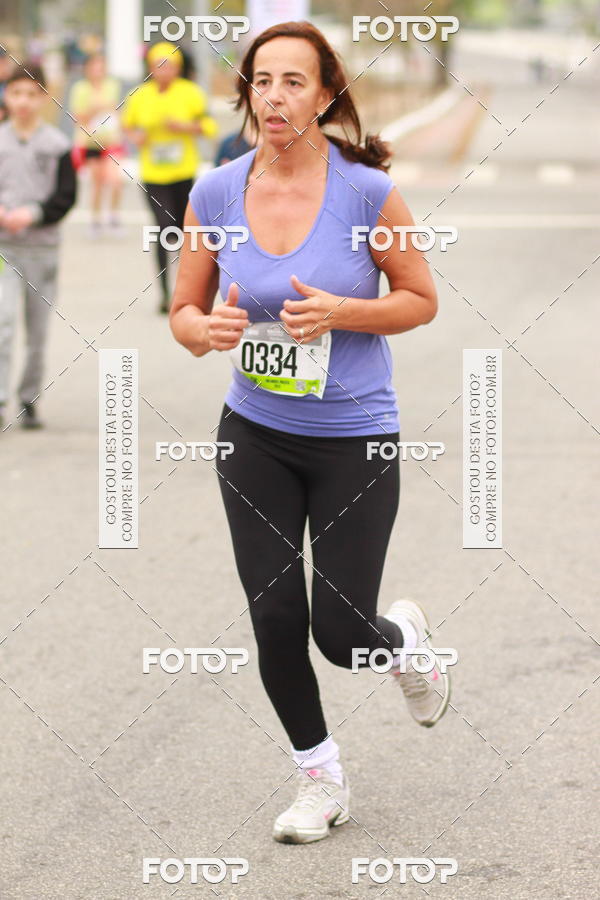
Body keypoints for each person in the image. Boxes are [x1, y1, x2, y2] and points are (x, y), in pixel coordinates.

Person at [169, 21, 450, 844]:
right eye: (263, 81)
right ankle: (319, 777)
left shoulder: (365, 192)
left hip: (355, 439)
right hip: (254, 432)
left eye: (295, 82)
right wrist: (203, 332)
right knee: (273, 617)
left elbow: (421, 298)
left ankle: (402, 643)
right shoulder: (217, 190)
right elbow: (184, 310)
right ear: (247, 93)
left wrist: (344, 311)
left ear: (325, 95)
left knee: (340, 633)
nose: (277, 96)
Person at [0, 63, 77, 431]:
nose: (23, 102)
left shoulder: (58, 145)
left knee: (37, 329)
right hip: (4, 249)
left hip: (42, 250)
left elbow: (66, 197)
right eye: (16, 93)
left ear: (44, 98)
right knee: (3, 323)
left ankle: (28, 397)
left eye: (32, 94)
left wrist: (33, 214)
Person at [121, 41, 218, 314]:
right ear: (150, 68)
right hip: (153, 174)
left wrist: (186, 126)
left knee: (182, 231)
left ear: (178, 68)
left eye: (170, 65)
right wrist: (135, 136)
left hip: (183, 173)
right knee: (163, 229)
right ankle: (165, 293)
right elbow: (127, 126)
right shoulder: (139, 95)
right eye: (158, 65)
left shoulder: (191, 93)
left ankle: (188, 289)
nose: (164, 70)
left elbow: (210, 126)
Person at [69, 53, 124, 236]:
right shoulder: (80, 88)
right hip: (90, 142)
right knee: (97, 183)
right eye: (94, 67)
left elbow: (114, 108)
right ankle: (95, 220)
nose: (98, 71)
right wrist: (97, 108)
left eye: (101, 67)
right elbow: (79, 117)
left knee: (116, 181)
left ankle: (114, 216)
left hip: (111, 141)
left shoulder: (112, 85)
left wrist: (97, 108)